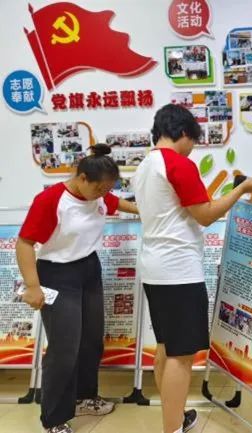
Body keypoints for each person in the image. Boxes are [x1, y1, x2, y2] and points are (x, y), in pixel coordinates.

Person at [133, 104, 252, 433]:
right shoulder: (178, 164)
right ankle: (172, 428)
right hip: (178, 270)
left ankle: (175, 418)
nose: (193, 147)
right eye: (193, 140)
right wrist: (240, 189)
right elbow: (205, 215)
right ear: (183, 133)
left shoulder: (145, 165)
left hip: (154, 267)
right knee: (180, 356)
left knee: (166, 349)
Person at [16, 144, 138, 433]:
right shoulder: (51, 200)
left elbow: (115, 203)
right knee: (64, 348)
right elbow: (24, 243)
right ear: (82, 178)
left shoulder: (98, 194)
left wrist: (145, 211)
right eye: (99, 188)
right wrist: (33, 286)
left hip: (89, 270)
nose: (103, 194)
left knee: (91, 340)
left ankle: (84, 397)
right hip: (57, 274)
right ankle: (54, 419)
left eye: (107, 189)